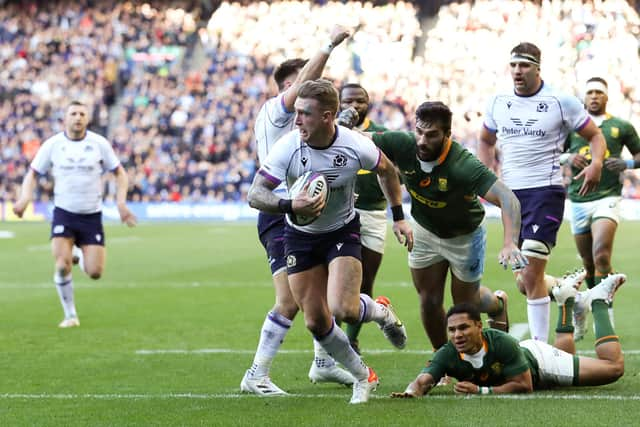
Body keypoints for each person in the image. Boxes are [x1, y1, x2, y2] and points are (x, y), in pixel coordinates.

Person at [248, 79, 414, 404]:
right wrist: (289, 205)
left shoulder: (355, 145)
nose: (297, 121)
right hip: (299, 236)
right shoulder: (289, 146)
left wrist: (398, 215)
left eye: (305, 114)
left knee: (344, 309)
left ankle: (380, 311)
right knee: (315, 321)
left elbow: (388, 171)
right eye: (296, 113)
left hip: (342, 231)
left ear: (327, 117)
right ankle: (364, 376)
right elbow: (255, 193)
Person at [241, 26, 354, 396]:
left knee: (319, 299)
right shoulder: (276, 112)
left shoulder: (303, 123)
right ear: (286, 88)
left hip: (309, 211)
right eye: (302, 84)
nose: (308, 92)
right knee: (290, 301)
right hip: (280, 211)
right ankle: (256, 374)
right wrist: (330, 45)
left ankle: (323, 364)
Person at [358, 101, 527, 350]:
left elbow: (507, 198)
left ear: (448, 134)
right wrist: (342, 125)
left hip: (465, 237)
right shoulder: (402, 143)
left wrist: (509, 241)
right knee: (429, 300)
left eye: (432, 135)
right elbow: (357, 140)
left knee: (464, 307)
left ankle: (497, 305)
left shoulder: (463, 165)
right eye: (419, 132)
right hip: (425, 230)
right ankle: (444, 359)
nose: (422, 140)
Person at [478, 42, 607, 343]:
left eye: (524, 65)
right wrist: (486, 177)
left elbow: (595, 136)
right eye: (513, 65)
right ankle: (570, 295)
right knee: (525, 282)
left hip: (545, 192)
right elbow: (485, 140)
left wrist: (597, 162)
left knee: (530, 274)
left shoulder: (561, 101)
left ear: (538, 67)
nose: (517, 71)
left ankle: (539, 348)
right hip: (510, 197)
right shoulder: (497, 101)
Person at [391, 271, 626, 397]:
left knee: (613, 368)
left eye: (463, 328)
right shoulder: (448, 353)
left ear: (479, 326)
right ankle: (565, 301)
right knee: (566, 356)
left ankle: (598, 302)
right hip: (532, 366)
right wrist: (411, 392)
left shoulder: (501, 342)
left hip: (540, 363)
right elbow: (423, 381)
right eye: (452, 330)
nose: (457, 335)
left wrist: (482, 391)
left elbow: (524, 385)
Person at [13, 100, 137, 328]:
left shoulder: (99, 144)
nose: (78, 117)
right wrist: (24, 198)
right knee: (61, 264)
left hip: (91, 215)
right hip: (64, 213)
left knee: (95, 272)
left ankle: (78, 250)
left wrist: (121, 203)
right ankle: (70, 315)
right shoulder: (53, 145)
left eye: (82, 113)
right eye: (73, 113)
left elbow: (120, 174)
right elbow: (32, 174)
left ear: (87, 119)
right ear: (65, 118)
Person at [562, 77, 640, 340]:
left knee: (601, 256)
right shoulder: (571, 127)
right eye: (590, 92)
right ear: (583, 98)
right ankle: (590, 307)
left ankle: (605, 317)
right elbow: (550, 153)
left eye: (599, 92)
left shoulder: (620, 126)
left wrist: (628, 163)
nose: (594, 96)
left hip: (608, 197)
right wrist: (567, 157)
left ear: (606, 97)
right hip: (578, 200)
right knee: (588, 263)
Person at [338, 83, 388, 354]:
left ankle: (352, 338)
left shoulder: (381, 134)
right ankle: (334, 345)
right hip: (338, 214)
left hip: (373, 213)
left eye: (360, 101)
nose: (354, 106)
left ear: (368, 103)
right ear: (339, 103)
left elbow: (397, 174)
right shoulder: (330, 133)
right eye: (348, 101)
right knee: (335, 281)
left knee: (365, 281)